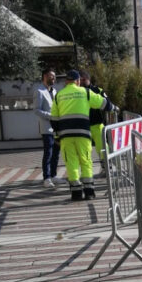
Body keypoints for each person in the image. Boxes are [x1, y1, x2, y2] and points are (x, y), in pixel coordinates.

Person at [51, 70, 115, 201]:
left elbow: (54, 119)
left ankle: (76, 193)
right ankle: (89, 191)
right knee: (86, 161)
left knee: (71, 163)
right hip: (83, 134)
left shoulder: (58, 96)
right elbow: (103, 103)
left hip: (65, 135)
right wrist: (112, 107)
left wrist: (57, 137)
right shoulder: (85, 92)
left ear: (66, 81)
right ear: (78, 81)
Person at [33, 68, 65, 189]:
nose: (54, 79)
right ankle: (46, 178)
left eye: (54, 77)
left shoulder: (55, 91)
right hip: (47, 127)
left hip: (56, 127)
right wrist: (50, 116)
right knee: (48, 152)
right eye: (52, 76)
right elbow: (36, 110)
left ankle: (53, 175)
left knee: (56, 152)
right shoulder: (39, 91)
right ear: (45, 76)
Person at [79, 71, 114, 178]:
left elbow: (108, 102)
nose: (82, 82)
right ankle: (87, 172)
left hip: (97, 124)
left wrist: (113, 110)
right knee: (85, 150)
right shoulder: (78, 92)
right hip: (83, 125)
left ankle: (108, 168)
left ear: (88, 79)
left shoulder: (97, 90)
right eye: (80, 80)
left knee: (102, 147)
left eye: (84, 79)